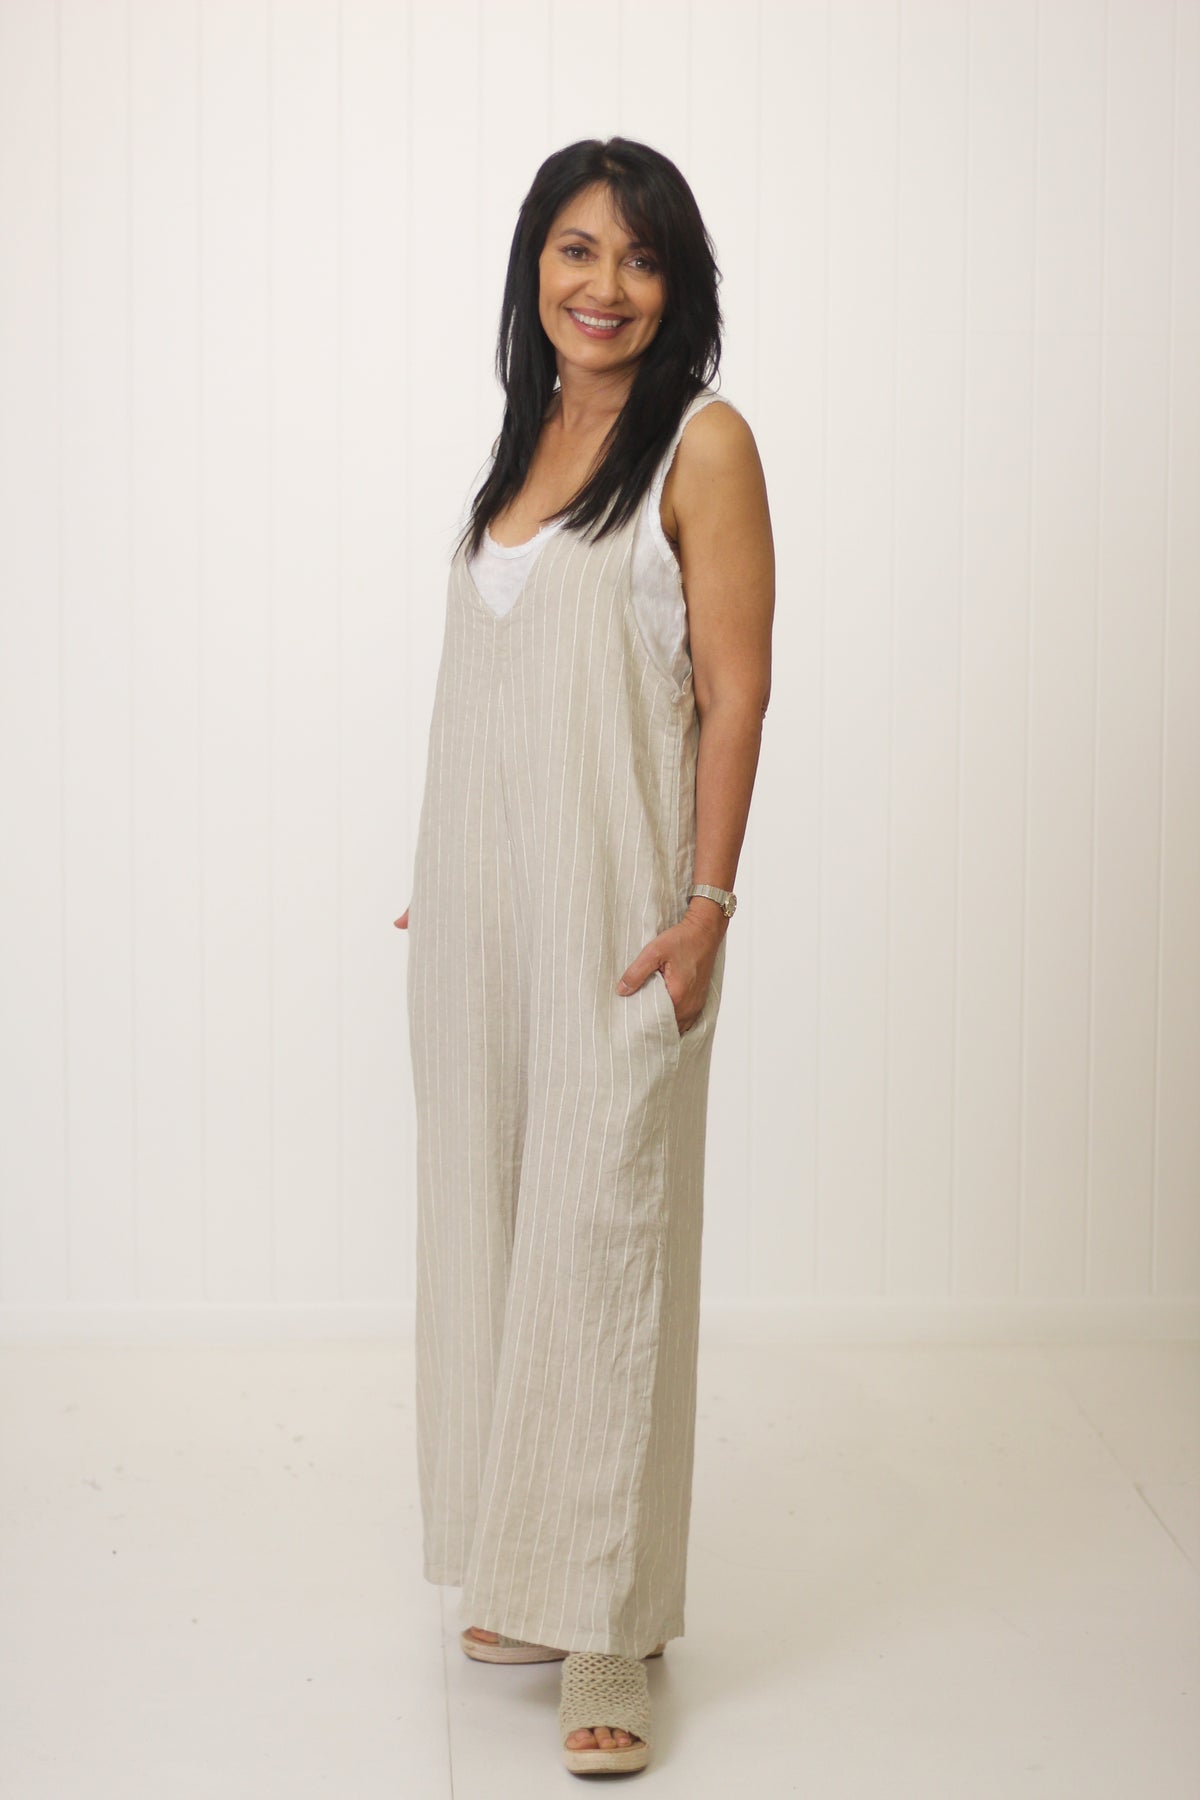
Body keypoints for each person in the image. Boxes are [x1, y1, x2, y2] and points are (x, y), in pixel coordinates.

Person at [393, 136, 774, 1776]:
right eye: (576, 248)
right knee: (493, 1230)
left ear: (677, 286)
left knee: (606, 1242)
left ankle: (613, 1623)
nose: (604, 285)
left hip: (628, 917)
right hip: (480, 917)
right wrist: (450, 873)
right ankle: (530, 1570)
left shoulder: (703, 444)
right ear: (533, 268)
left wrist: (708, 906)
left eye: (640, 256)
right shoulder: (523, 439)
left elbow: (735, 693)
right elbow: (492, 690)